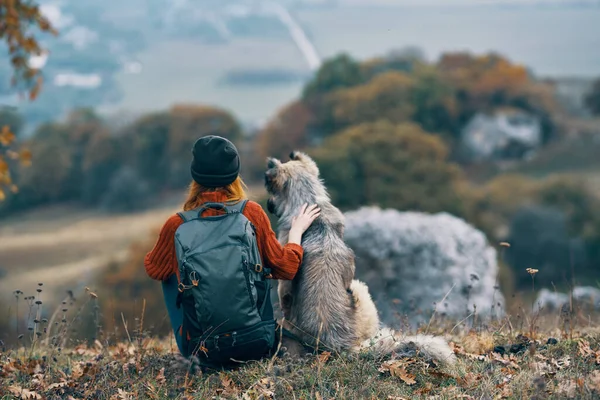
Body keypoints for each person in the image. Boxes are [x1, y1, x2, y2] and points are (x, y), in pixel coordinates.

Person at [144, 135, 320, 361]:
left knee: (168, 273)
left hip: (202, 352)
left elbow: (154, 269)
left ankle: (192, 334)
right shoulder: (251, 213)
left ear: (195, 175)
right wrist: (296, 233)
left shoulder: (177, 225)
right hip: (257, 343)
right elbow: (286, 268)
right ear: (234, 174)